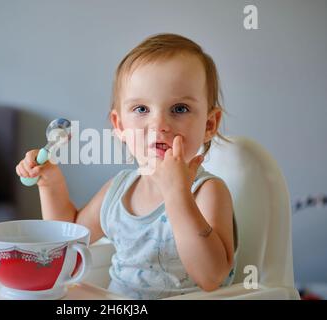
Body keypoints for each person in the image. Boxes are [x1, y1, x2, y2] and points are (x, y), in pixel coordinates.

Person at [16, 33, 238, 299]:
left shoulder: (207, 192)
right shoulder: (119, 189)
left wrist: (177, 193)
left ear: (209, 125)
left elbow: (211, 277)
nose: (159, 125)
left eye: (179, 109)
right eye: (142, 109)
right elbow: (69, 234)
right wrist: (50, 183)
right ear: (120, 125)